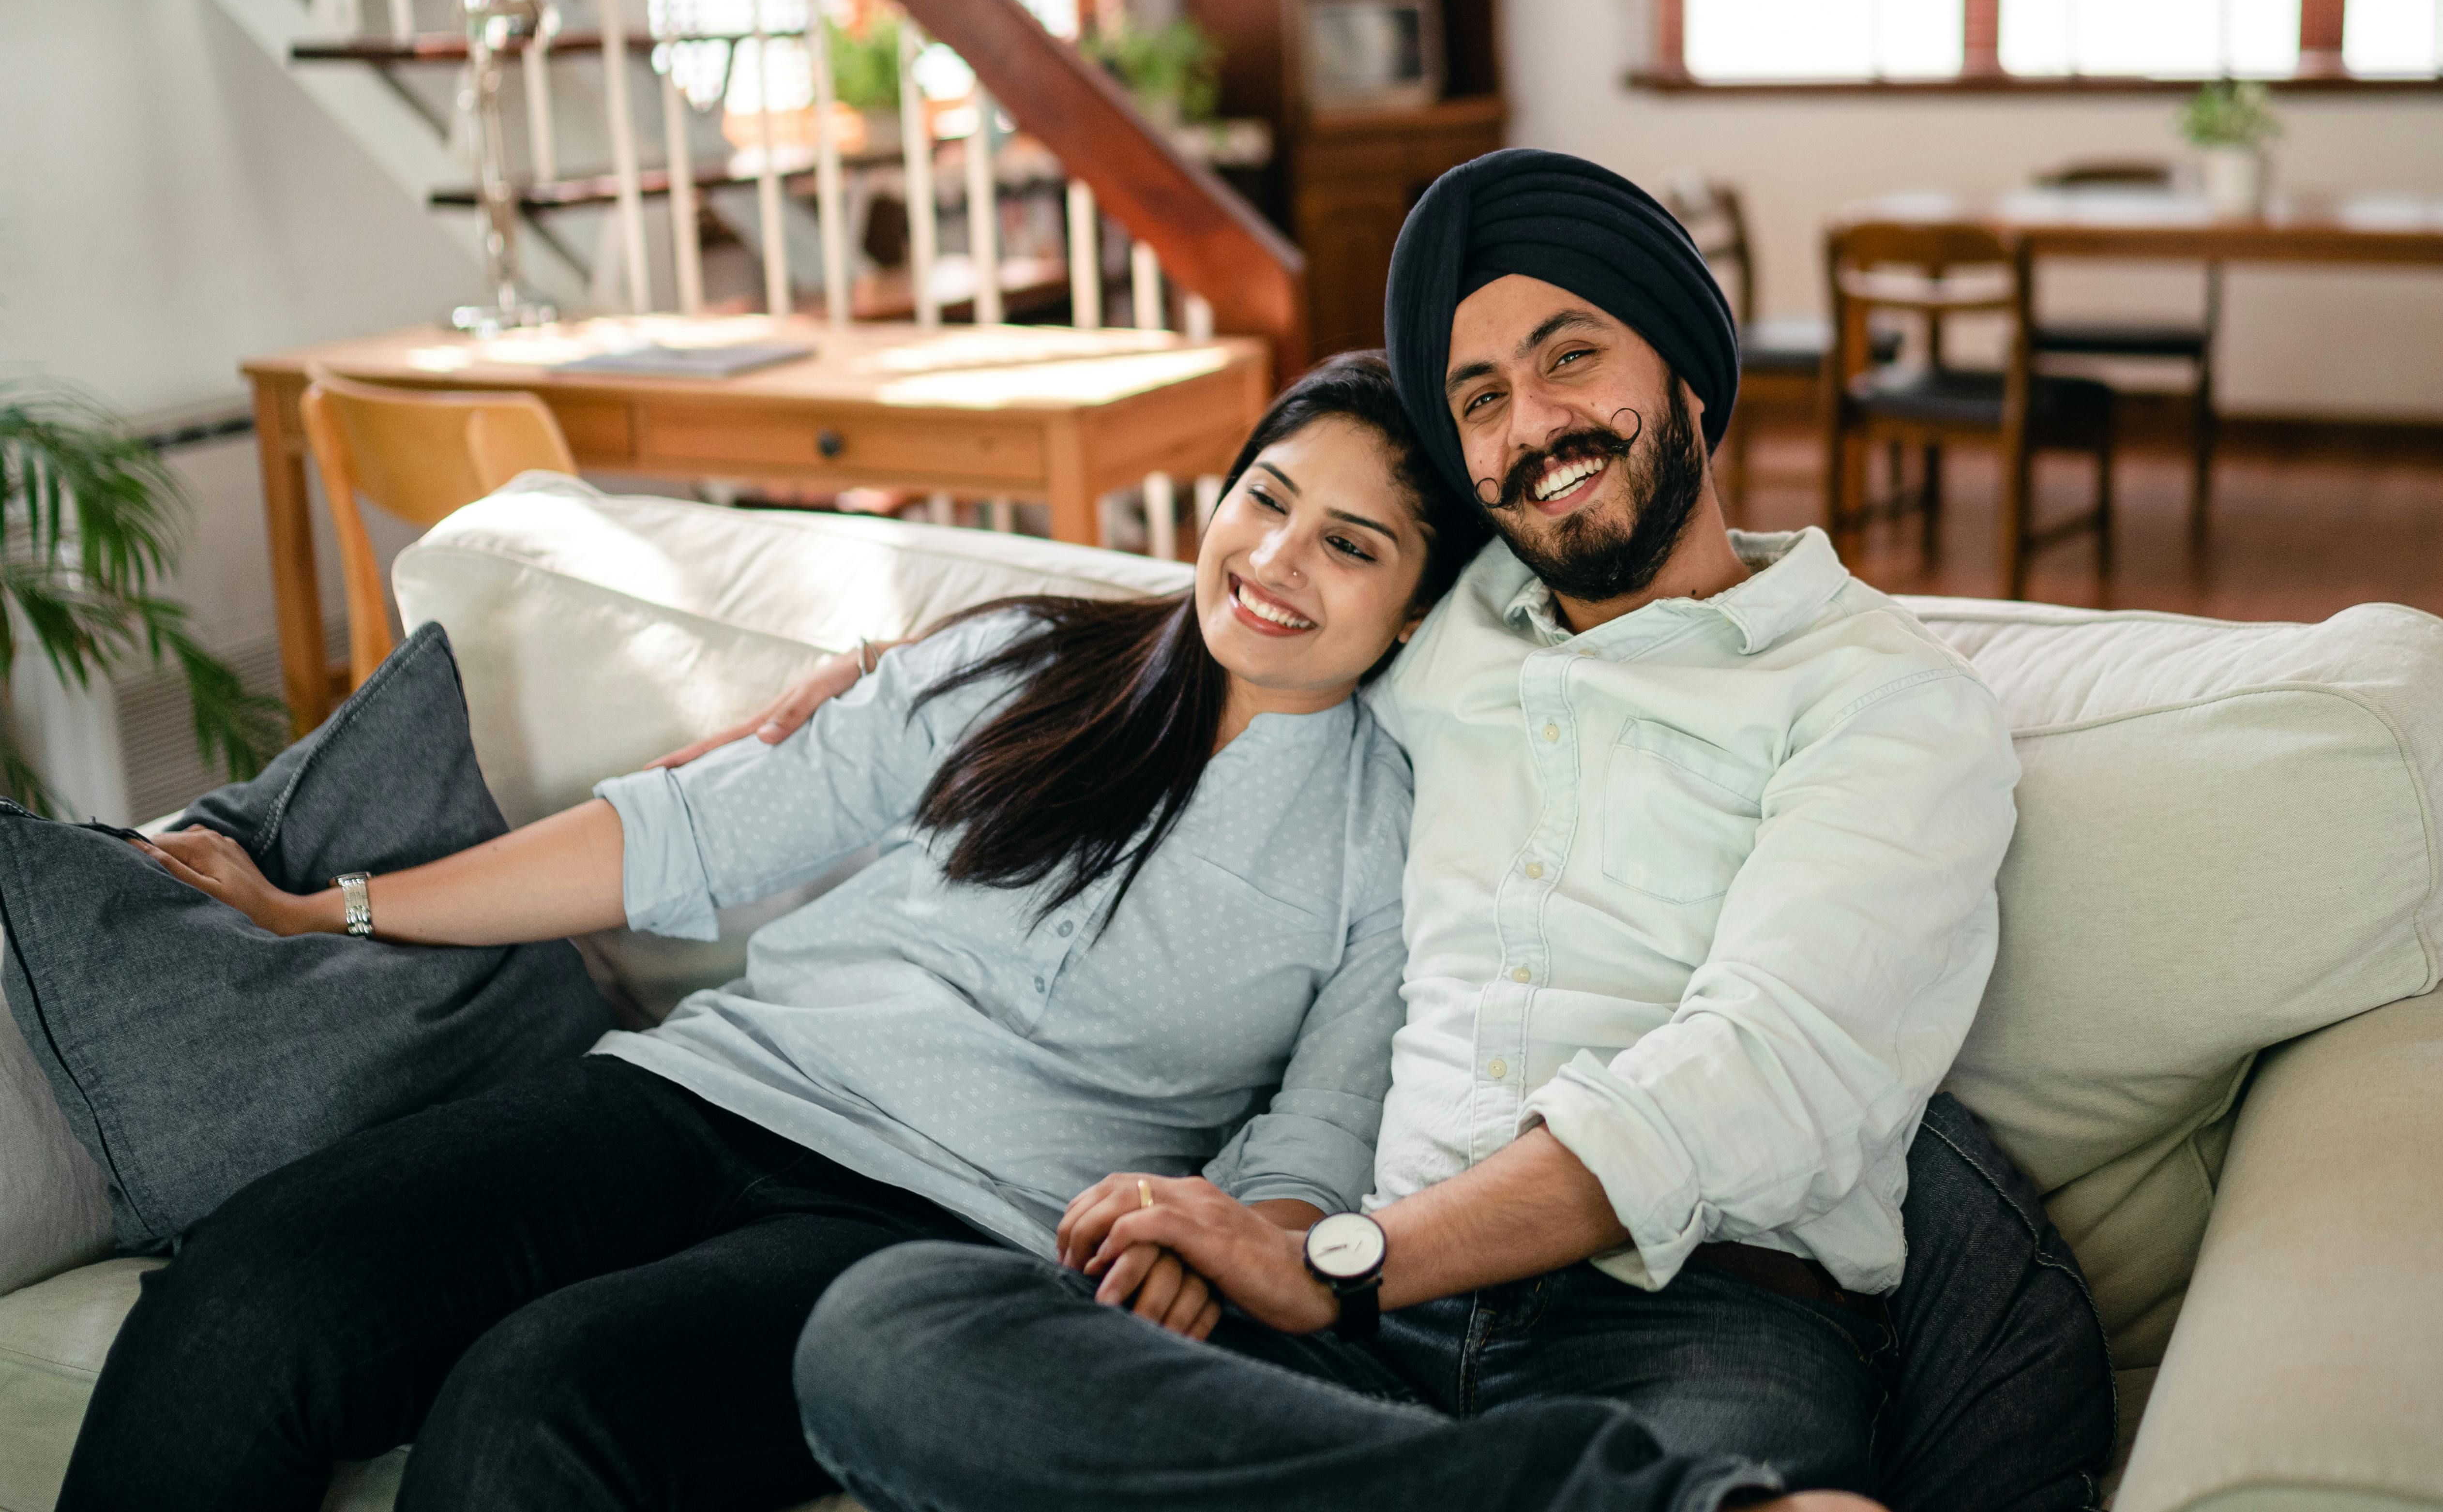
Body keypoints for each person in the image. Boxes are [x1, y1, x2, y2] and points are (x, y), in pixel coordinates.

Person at [784, 150, 2117, 1512]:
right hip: (1367, 1337)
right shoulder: (1447, 632)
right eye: (1480, 401)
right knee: (890, 1332)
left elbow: (1764, 1071)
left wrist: (1334, 1259)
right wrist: (917, 678)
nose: (1533, 426)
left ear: (1688, 378)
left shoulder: (1883, 701)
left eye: (1570, 358)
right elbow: (1248, 596)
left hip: (1693, 1319)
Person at [56, 353, 1492, 1512]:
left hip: (950, 1227)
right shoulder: (1021, 658)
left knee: (538, 1402)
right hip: (700, 1091)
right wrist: (327, 909)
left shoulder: (1394, 844)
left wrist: (1228, 1241)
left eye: (1350, 545)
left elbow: (1318, 1143)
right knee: (255, 1293)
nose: (1277, 558)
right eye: (1267, 498)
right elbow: (685, 835)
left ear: (1418, 609)